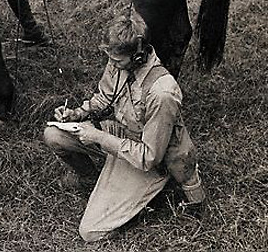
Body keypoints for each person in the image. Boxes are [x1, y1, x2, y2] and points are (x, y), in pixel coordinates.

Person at [43, 12, 206, 242]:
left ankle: (149, 197)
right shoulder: (119, 61)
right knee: (54, 134)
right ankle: (93, 180)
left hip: (148, 160)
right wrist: (77, 114)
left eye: (117, 61)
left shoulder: (162, 93)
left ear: (138, 56)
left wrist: (99, 137)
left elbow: (149, 157)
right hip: (123, 136)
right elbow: (105, 96)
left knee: (90, 232)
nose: (112, 64)